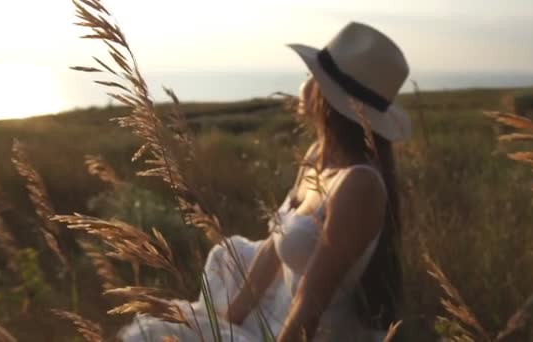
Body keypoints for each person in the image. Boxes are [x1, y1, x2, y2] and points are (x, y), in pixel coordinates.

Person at [120, 21, 411, 342]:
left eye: (314, 76)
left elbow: (311, 302)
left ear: (327, 97)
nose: (307, 83)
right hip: (272, 312)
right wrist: (226, 323)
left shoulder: (359, 185)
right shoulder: (319, 155)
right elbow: (275, 243)